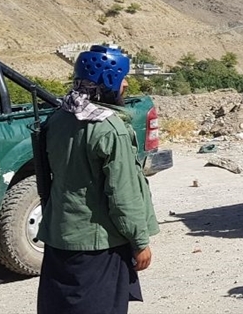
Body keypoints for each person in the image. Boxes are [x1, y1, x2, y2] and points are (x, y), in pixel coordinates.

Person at [37, 45, 159, 314]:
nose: (126, 84)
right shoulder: (109, 129)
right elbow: (123, 195)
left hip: (60, 238)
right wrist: (140, 242)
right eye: (123, 78)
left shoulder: (58, 118)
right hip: (99, 244)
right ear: (109, 80)